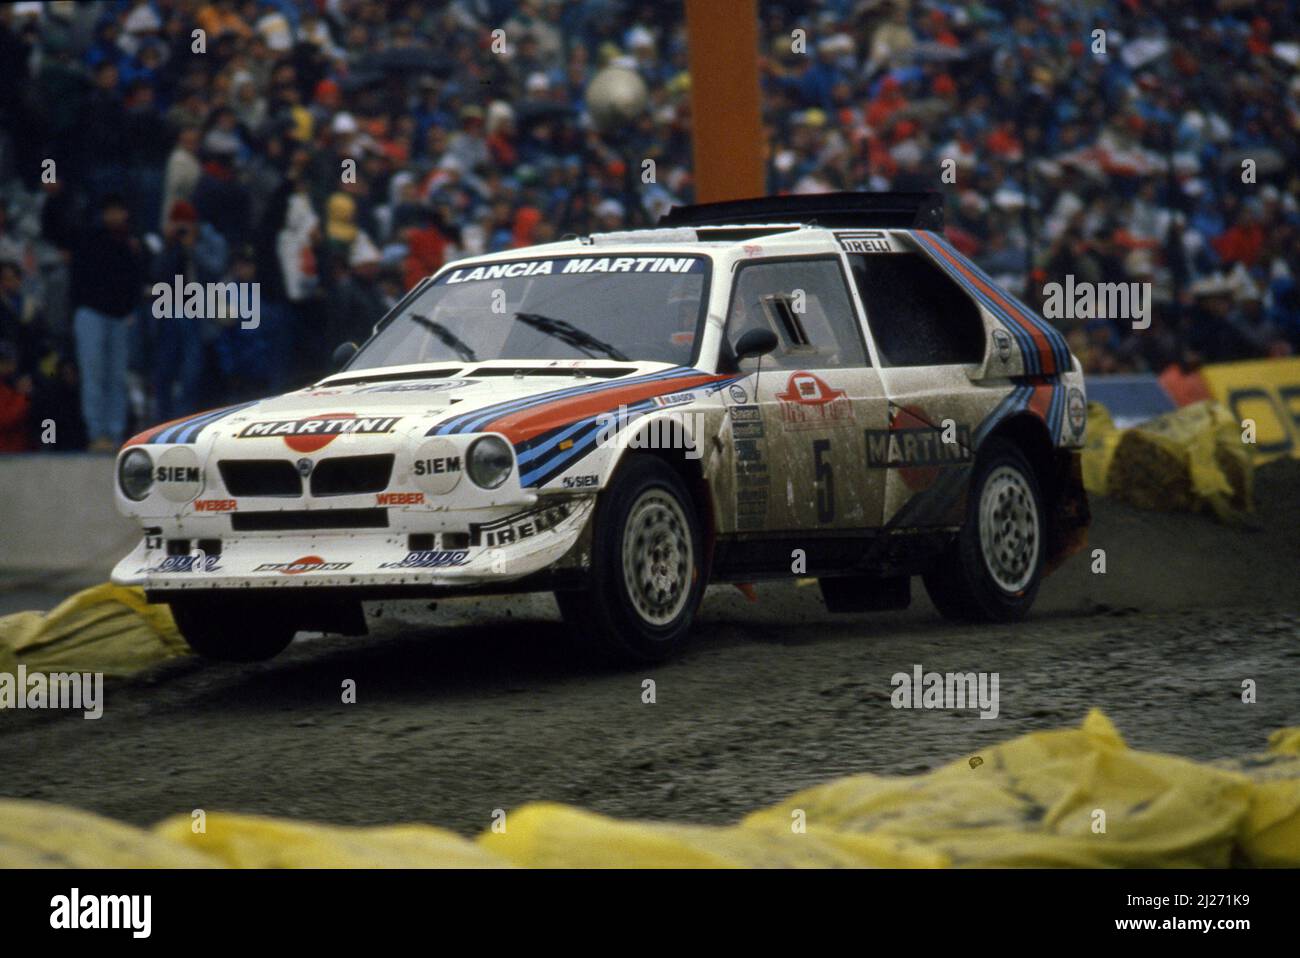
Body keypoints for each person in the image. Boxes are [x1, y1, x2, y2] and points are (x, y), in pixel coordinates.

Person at [71, 194, 145, 452]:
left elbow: (136, 281)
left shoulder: (131, 243)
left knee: (117, 377)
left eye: (119, 211)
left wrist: (128, 309)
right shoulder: (90, 239)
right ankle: (96, 434)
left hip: (119, 318)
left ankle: (114, 435)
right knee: (94, 375)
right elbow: (78, 278)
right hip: (91, 314)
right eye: (110, 211)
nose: (115, 216)